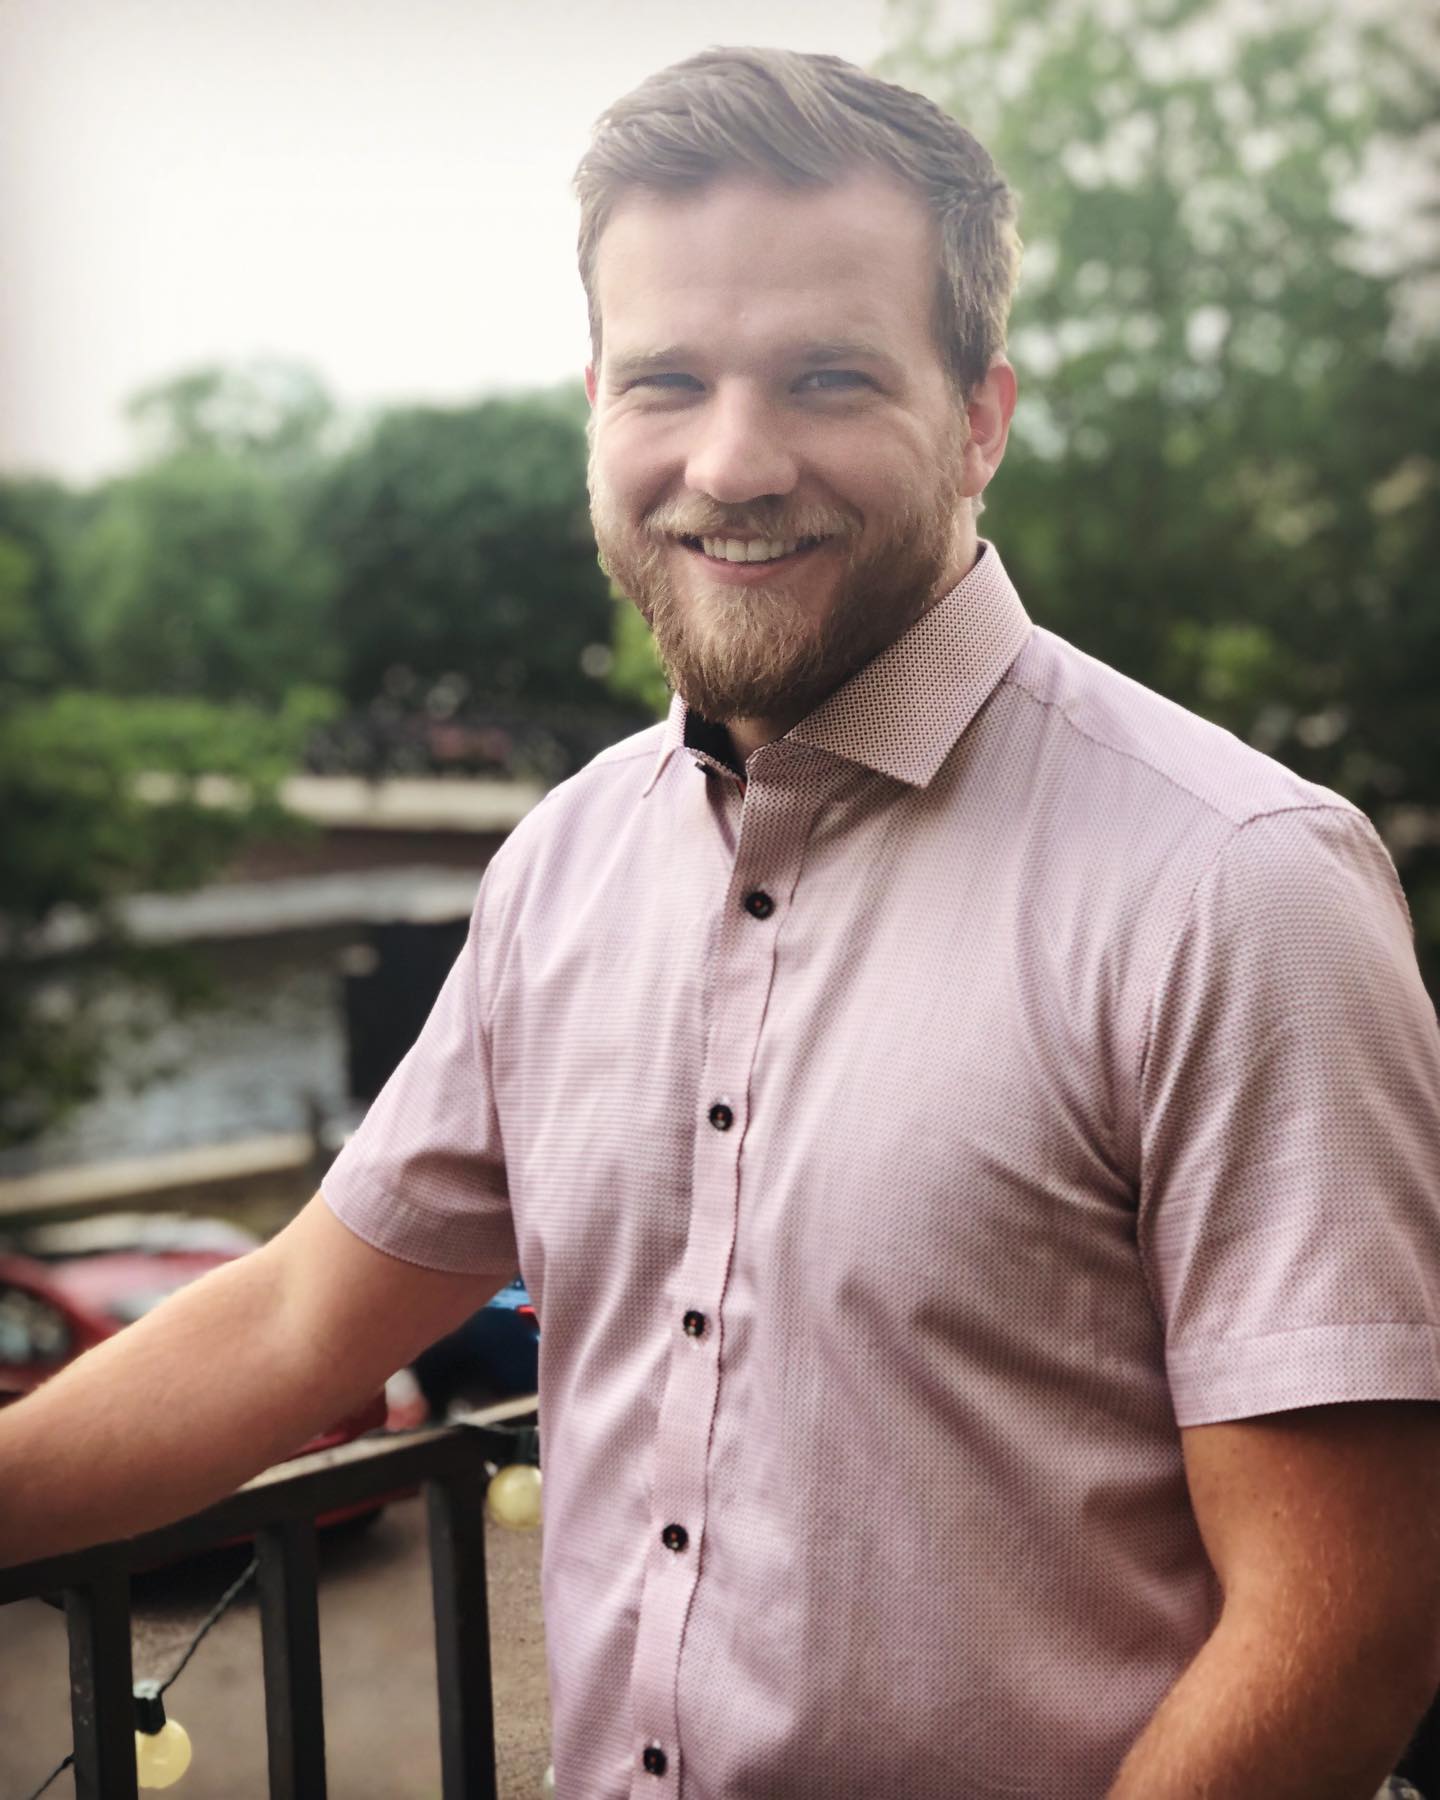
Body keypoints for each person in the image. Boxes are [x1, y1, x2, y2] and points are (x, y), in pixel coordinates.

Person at [4, 45, 1440, 1800]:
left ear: (982, 412)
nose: (733, 460)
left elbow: (1344, 1625)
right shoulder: (563, 865)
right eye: (668, 379)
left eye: (828, 376)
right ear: (595, 400)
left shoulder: (1239, 888)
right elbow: (305, 1315)